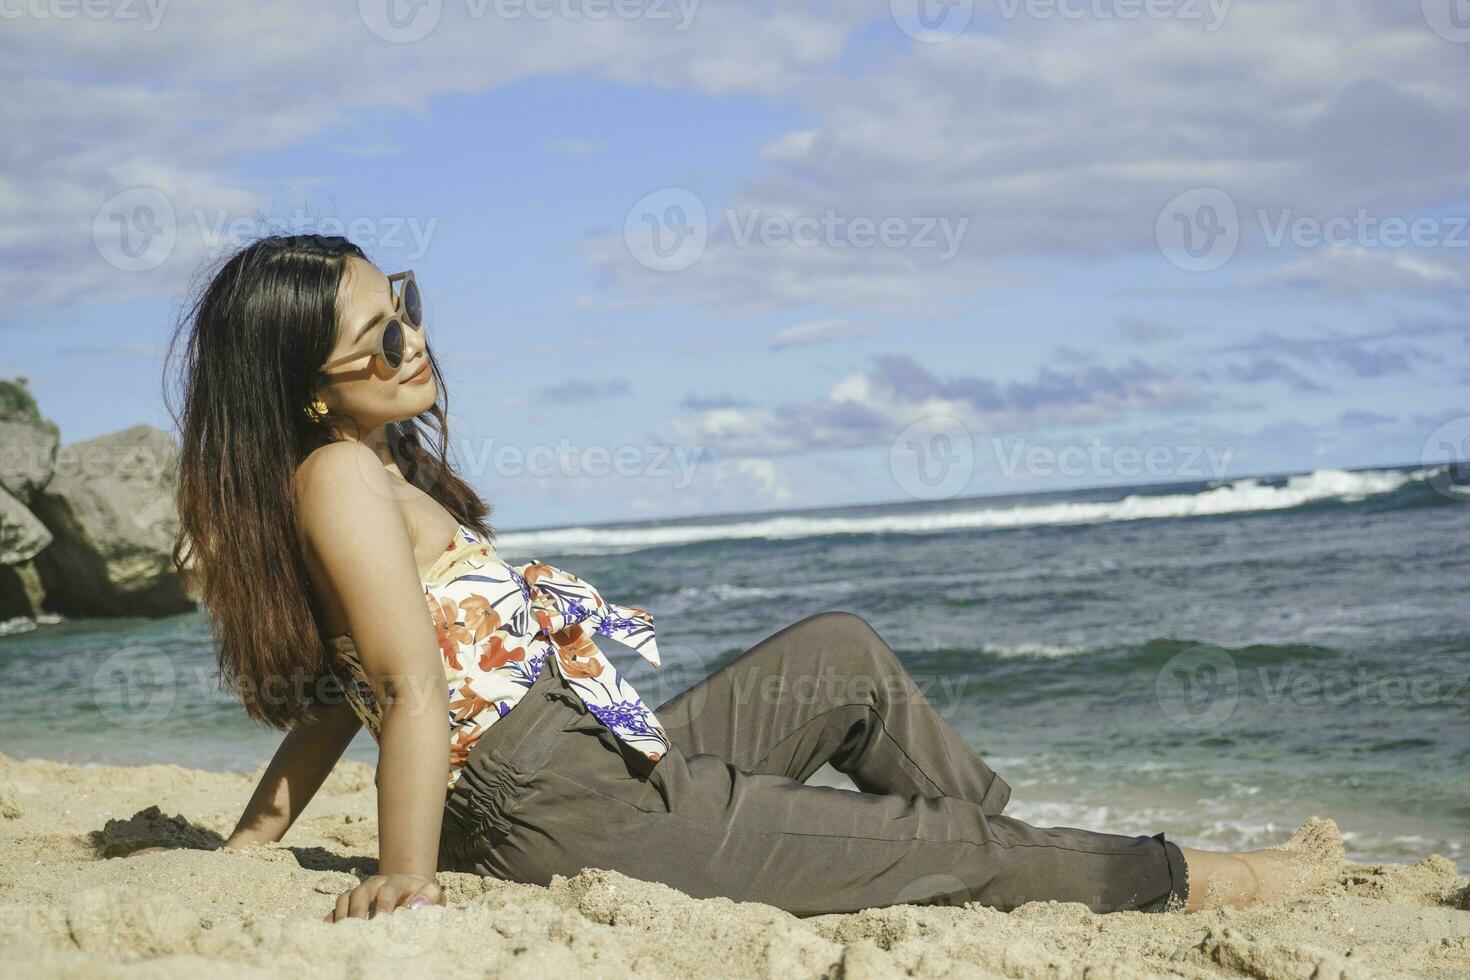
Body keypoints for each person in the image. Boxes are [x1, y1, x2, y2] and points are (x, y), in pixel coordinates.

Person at [167, 234, 1342, 922]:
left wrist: (251, 842)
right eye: (376, 336)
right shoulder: (336, 477)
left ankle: (1018, 863)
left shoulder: (367, 464)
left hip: (586, 755)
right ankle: (1202, 875)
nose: (410, 339)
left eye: (404, 304)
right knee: (935, 841)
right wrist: (407, 879)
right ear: (310, 384)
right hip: (558, 803)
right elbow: (402, 688)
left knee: (840, 653)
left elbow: (339, 696)